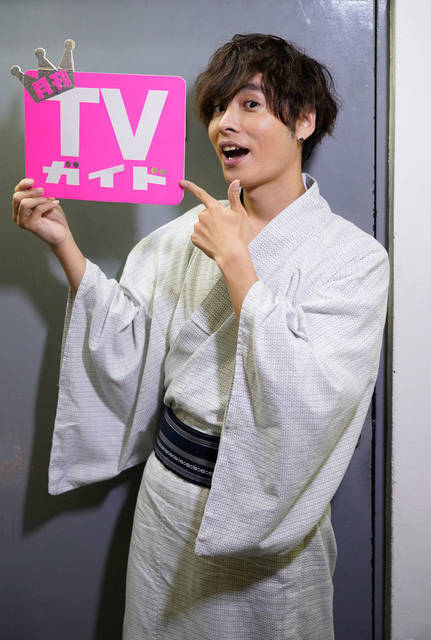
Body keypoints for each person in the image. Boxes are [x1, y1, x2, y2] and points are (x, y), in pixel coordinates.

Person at [12, 33, 389, 640]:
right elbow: (128, 342)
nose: (224, 124)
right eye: (216, 108)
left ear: (305, 120)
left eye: (249, 104)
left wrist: (237, 262)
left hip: (267, 525)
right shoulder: (186, 233)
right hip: (168, 507)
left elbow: (314, 399)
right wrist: (64, 243)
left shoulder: (354, 259)